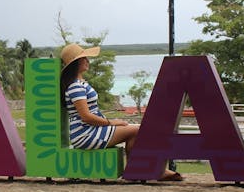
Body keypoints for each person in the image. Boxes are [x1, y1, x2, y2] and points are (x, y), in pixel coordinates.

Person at [60, 43, 182, 181]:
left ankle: (136, 170)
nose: (88, 61)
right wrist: (112, 122)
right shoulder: (75, 86)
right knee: (138, 130)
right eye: (84, 58)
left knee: (134, 133)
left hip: (91, 131)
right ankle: (152, 170)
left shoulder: (80, 83)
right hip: (86, 134)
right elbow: (86, 117)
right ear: (76, 63)